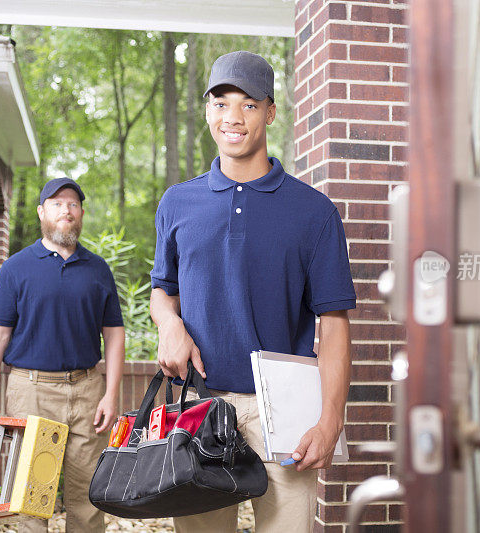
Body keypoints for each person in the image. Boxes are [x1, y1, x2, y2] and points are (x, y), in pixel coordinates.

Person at [149, 51, 355, 533]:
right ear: (207, 112)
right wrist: (170, 325)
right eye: (220, 103)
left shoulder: (314, 212)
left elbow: (336, 325)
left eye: (248, 104)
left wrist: (330, 420)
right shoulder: (178, 203)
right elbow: (163, 292)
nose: (232, 118)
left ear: (270, 111)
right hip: (198, 405)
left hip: (284, 410)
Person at [0, 177, 125, 533]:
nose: (67, 209)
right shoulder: (16, 267)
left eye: (74, 204)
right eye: (58, 203)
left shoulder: (98, 269)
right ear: (41, 212)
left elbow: (114, 333)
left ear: (80, 214)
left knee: (88, 496)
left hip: (87, 391)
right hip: (31, 390)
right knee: (32, 499)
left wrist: (110, 394)